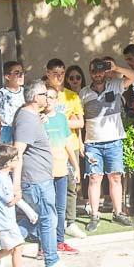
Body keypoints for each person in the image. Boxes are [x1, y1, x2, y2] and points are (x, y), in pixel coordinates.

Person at [13, 82, 72, 267]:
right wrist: (16, 185)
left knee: (36, 219)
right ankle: (51, 262)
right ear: (34, 97)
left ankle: (5, 247)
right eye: (44, 94)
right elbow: (17, 153)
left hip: (40, 178)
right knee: (48, 218)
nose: (48, 98)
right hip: (36, 180)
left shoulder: (32, 117)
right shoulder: (26, 119)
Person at [79, 57, 134, 231]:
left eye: (100, 70)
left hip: (114, 141)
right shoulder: (83, 93)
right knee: (94, 178)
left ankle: (118, 212)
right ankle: (94, 215)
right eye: (94, 71)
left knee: (115, 177)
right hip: (93, 144)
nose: (97, 74)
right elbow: (79, 119)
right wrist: (81, 142)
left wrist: (116, 67)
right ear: (90, 72)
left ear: (104, 71)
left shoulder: (115, 85)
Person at [45, 59, 86, 244]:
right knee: (50, 187)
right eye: (55, 73)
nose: (59, 77)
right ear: (48, 73)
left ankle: (70, 221)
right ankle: (53, 222)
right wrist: (61, 120)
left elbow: (80, 122)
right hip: (51, 147)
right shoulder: (44, 94)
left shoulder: (71, 96)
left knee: (71, 185)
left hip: (71, 145)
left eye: (62, 73)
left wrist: (59, 121)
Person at [0, 61, 27, 145]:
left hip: (25, 132)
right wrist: (0, 145)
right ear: (7, 76)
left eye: (22, 72)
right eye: (17, 73)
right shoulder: (0, 95)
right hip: (8, 134)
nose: (21, 76)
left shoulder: (26, 92)